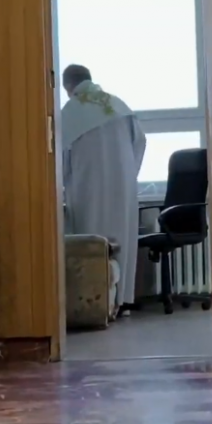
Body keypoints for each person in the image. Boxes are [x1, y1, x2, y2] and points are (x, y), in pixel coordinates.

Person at [61, 65, 146, 315]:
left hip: (87, 189)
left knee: (92, 243)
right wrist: (128, 175)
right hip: (123, 187)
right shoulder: (118, 105)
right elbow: (140, 142)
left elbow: (61, 158)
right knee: (122, 241)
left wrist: (66, 182)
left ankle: (97, 305)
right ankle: (122, 301)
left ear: (68, 86)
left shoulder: (70, 112)